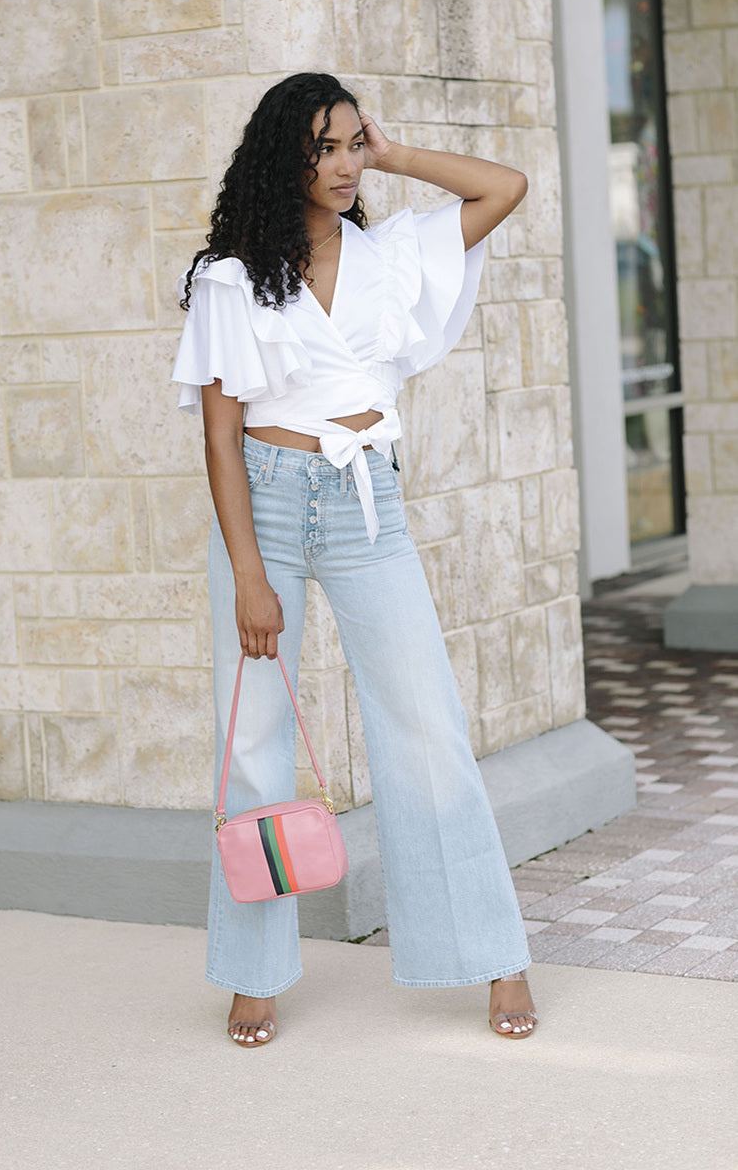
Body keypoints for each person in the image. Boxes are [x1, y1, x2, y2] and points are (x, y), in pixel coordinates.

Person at [172, 72, 538, 1048]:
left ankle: (493, 952)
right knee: (253, 743)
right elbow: (219, 435)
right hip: (265, 502)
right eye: (323, 149)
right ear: (281, 160)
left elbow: (503, 187)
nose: (343, 166)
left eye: (350, 146)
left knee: (427, 726)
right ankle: (253, 972)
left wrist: (394, 151)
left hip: (365, 499)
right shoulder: (230, 278)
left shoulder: (393, 255)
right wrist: (249, 572)